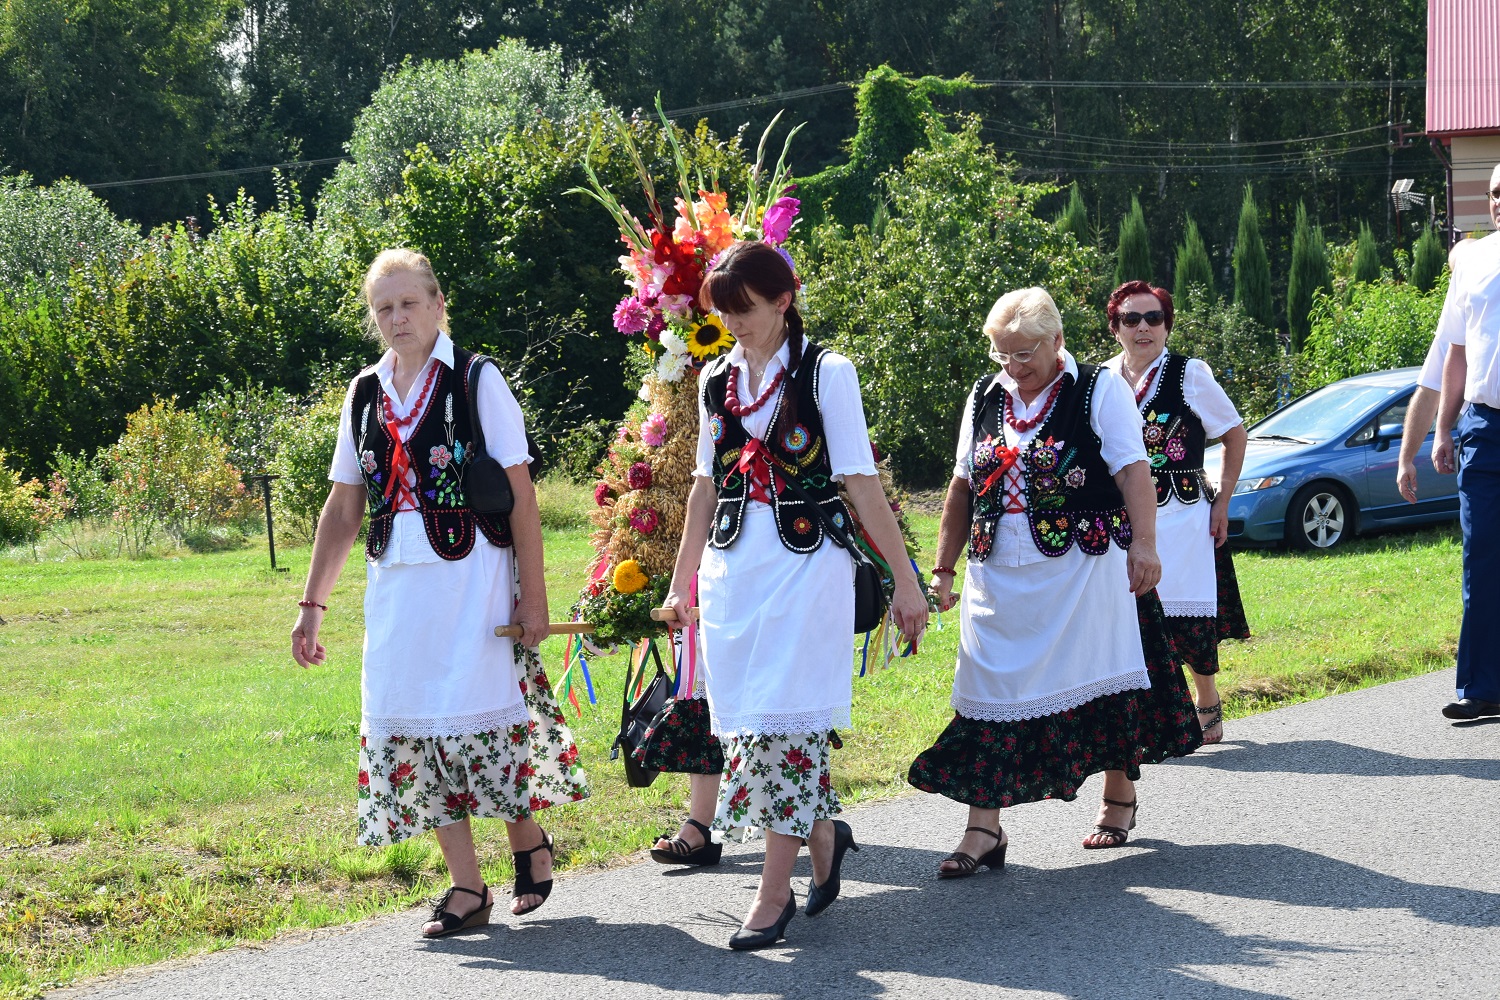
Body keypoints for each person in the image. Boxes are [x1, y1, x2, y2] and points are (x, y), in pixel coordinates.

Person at [290, 248, 588, 938]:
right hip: (397, 591)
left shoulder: (478, 381)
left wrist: (533, 599)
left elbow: (521, 500)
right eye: (383, 307)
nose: (397, 317)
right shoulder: (365, 391)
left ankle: (527, 843)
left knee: (481, 721)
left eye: (409, 302)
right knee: (409, 726)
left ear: (437, 305)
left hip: (474, 582)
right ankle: (466, 886)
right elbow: (343, 507)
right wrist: (311, 605)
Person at [661, 240, 928, 950]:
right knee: (749, 728)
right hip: (730, 577)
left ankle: (771, 894)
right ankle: (821, 831)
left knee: (784, 728)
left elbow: (861, 483)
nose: (734, 324)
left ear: (784, 299)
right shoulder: (715, 379)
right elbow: (703, 487)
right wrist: (679, 583)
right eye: (725, 311)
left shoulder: (827, 373)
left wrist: (906, 579)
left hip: (805, 572)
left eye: (744, 310)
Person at [908, 287, 1201, 873]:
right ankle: (983, 829)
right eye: (1002, 354)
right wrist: (943, 569)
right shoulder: (984, 396)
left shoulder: (1098, 389)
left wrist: (1145, 544)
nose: (1013, 367)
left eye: (1024, 354)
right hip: (998, 578)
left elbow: (1133, 470)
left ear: (1057, 340)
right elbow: (963, 485)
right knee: (986, 695)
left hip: (1082, 572)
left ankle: (1118, 799)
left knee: (1106, 678)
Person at [1102, 281, 1251, 743]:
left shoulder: (1190, 374)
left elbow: (1233, 433)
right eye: (1131, 319)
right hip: (1122, 517)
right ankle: (1153, 716)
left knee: (1188, 614)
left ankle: (1206, 699)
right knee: (1133, 618)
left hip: (1183, 512)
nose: (1143, 327)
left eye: (1153, 318)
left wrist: (1223, 499)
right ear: (1115, 328)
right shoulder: (1103, 379)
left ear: (1167, 325)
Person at [1431, 163, 1500, 721]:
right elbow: (1456, 349)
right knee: (1482, 559)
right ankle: (1481, 689)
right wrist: (1443, 426)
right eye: (1496, 192)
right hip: (1484, 427)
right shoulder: (1474, 261)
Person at [1398, 238, 1477, 503]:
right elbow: (1429, 390)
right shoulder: (1455, 328)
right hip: (1483, 434)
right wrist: (1406, 460)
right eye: (1458, 275)